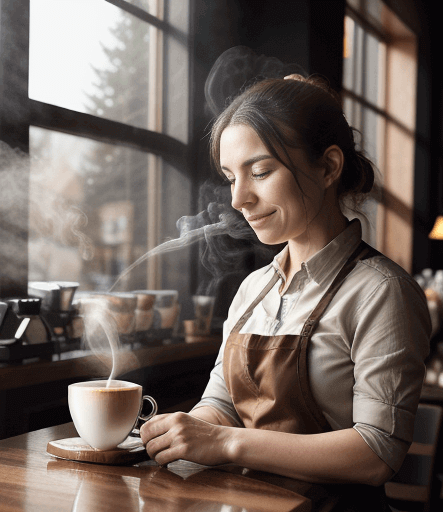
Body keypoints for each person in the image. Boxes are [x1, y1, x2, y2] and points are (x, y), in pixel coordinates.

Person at [140, 51, 431, 511]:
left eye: (260, 172)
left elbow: (376, 453)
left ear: (329, 167)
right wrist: (186, 433)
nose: (239, 198)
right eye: (230, 177)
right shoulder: (254, 289)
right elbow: (221, 404)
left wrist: (225, 444)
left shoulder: (381, 292)